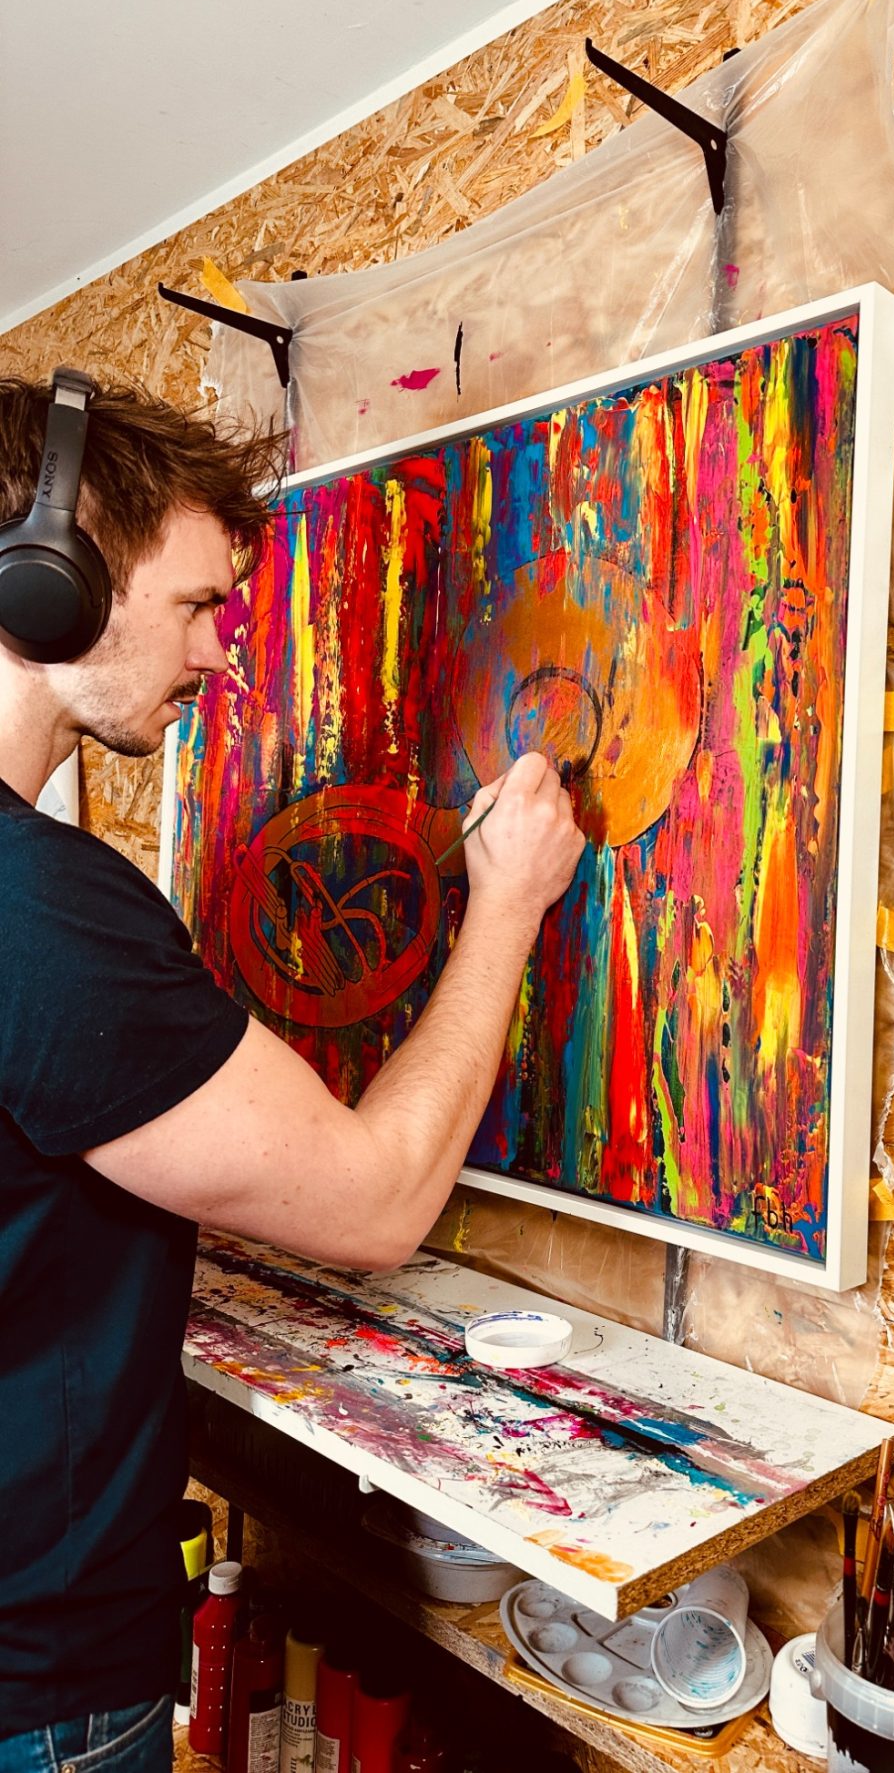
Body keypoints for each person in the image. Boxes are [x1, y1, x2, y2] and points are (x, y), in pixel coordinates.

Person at [0, 376, 586, 1769]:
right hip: (38, 1684)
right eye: (198, 604)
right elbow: (375, 1204)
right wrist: (508, 905)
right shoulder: (40, 913)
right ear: (50, 583)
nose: (220, 655)